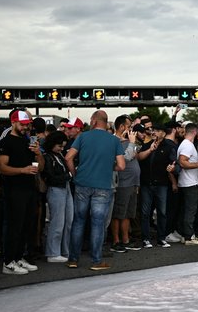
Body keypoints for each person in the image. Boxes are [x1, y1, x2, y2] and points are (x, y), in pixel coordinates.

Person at [65, 111, 125, 270]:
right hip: (103, 186)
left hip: (82, 183)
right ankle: (96, 261)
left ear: (94, 121)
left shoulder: (83, 137)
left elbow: (68, 158)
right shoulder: (114, 140)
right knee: (98, 223)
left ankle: (73, 259)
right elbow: (121, 166)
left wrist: (74, 173)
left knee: (78, 221)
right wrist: (109, 167)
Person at [0, 110, 45, 275]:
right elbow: (1, 167)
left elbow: (40, 168)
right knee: (14, 227)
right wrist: (22, 170)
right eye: (23, 125)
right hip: (14, 190)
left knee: (27, 226)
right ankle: (8, 261)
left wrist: (38, 154)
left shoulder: (28, 141)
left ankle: (18, 258)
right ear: (13, 123)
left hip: (30, 188)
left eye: (28, 125)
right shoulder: (5, 142)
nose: (26, 127)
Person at [137, 122, 177, 248]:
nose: (154, 132)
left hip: (162, 184)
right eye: (153, 130)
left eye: (157, 130)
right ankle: (145, 239)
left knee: (162, 212)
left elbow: (174, 163)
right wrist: (150, 150)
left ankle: (161, 238)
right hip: (146, 183)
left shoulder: (169, 147)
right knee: (145, 212)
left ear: (164, 134)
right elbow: (139, 157)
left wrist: (173, 168)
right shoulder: (146, 145)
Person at [109, 115, 143, 253]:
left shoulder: (129, 141)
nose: (131, 130)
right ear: (122, 127)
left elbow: (135, 155)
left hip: (132, 182)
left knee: (128, 213)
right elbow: (126, 157)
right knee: (118, 213)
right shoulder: (113, 141)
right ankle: (116, 241)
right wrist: (132, 143)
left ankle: (126, 240)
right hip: (122, 183)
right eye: (129, 127)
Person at [42, 131, 73, 262]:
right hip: (56, 189)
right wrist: (69, 176)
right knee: (57, 221)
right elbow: (50, 177)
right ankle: (53, 252)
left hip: (64, 188)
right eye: (59, 146)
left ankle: (64, 250)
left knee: (68, 220)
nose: (61, 148)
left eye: (63, 146)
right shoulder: (47, 156)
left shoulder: (58, 155)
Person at [173, 122, 198, 245]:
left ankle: (185, 235)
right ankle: (189, 237)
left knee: (186, 210)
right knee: (190, 210)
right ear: (195, 132)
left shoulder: (185, 144)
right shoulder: (187, 145)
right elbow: (182, 162)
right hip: (189, 183)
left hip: (186, 182)